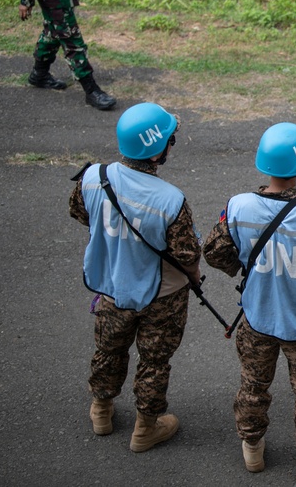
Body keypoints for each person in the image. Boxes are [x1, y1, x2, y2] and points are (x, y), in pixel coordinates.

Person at [203, 123, 296, 483]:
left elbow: (212, 251)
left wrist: (243, 265)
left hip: (256, 316)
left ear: (263, 164)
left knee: (253, 383)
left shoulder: (238, 206)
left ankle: (252, 449)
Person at [69, 102, 198, 451]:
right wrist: (196, 277)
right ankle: (146, 427)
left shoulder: (93, 176)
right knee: (154, 361)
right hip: (162, 295)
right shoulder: (171, 200)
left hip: (110, 287)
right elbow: (186, 255)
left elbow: (80, 213)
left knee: (108, 350)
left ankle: (101, 409)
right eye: (171, 140)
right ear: (158, 151)